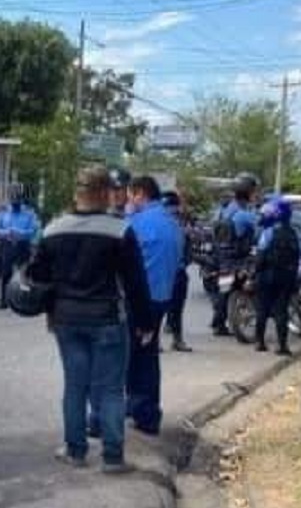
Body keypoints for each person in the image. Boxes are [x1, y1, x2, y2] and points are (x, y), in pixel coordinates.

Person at [27, 164, 153, 473]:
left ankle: (75, 450)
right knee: (110, 389)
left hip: (66, 321)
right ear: (104, 193)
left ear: (78, 193)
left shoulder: (53, 229)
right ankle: (112, 457)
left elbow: (36, 275)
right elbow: (135, 282)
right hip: (108, 319)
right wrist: (147, 323)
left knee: (75, 386)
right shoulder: (119, 230)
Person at [125, 175, 184, 435]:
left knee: (131, 358)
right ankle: (145, 412)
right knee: (147, 355)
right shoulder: (173, 224)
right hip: (161, 299)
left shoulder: (135, 224)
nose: (128, 200)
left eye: (130, 195)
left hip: (138, 300)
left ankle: (141, 411)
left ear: (140, 193)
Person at [207, 173, 260, 336]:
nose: (256, 194)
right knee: (259, 278)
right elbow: (261, 230)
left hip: (221, 256)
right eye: (254, 191)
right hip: (239, 258)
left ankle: (218, 323)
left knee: (224, 289)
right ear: (249, 192)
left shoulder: (224, 210)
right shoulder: (245, 215)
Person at [253, 198, 300, 357]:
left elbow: (260, 256)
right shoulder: (293, 233)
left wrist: (254, 273)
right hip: (286, 277)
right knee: (282, 311)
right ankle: (283, 346)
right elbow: (296, 258)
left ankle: (260, 342)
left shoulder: (268, 232)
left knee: (262, 309)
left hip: (267, 276)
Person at [0, 184, 41, 309]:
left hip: (23, 245)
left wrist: (20, 233)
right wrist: (7, 232)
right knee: (5, 273)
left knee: (24, 274)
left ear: (21, 199)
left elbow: (34, 230)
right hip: (7, 245)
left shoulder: (29, 213)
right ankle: (3, 300)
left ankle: (25, 300)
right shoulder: (4, 212)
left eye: (17, 200)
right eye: (13, 200)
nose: (15, 203)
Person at [163, 191, 194, 352]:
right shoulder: (179, 226)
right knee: (171, 307)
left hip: (170, 272)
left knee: (170, 307)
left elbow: (189, 249)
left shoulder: (182, 225)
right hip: (173, 271)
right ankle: (176, 339)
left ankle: (175, 339)